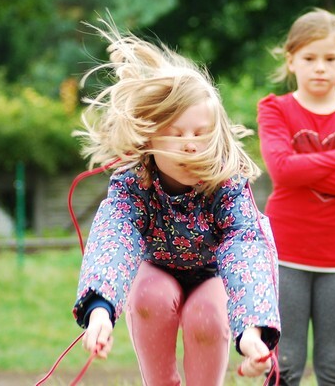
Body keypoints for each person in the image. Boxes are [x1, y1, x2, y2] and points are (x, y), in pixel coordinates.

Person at [71, 20, 281, 385]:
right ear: (151, 135)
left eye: (200, 134)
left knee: (205, 314)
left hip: (213, 277)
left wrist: (251, 332)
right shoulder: (134, 184)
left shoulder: (227, 187)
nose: (190, 145)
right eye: (176, 134)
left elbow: (246, 249)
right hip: (158, 272)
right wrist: (100, 310)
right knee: (151, 294)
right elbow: (114, 237)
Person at [257, 8, 335, 385]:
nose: (320, 68)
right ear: (291, 59)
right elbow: (281, 170)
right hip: (286, 252)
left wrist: (306, 164)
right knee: (287, 363)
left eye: (330, 59)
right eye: (309, 58)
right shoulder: (275, 109)